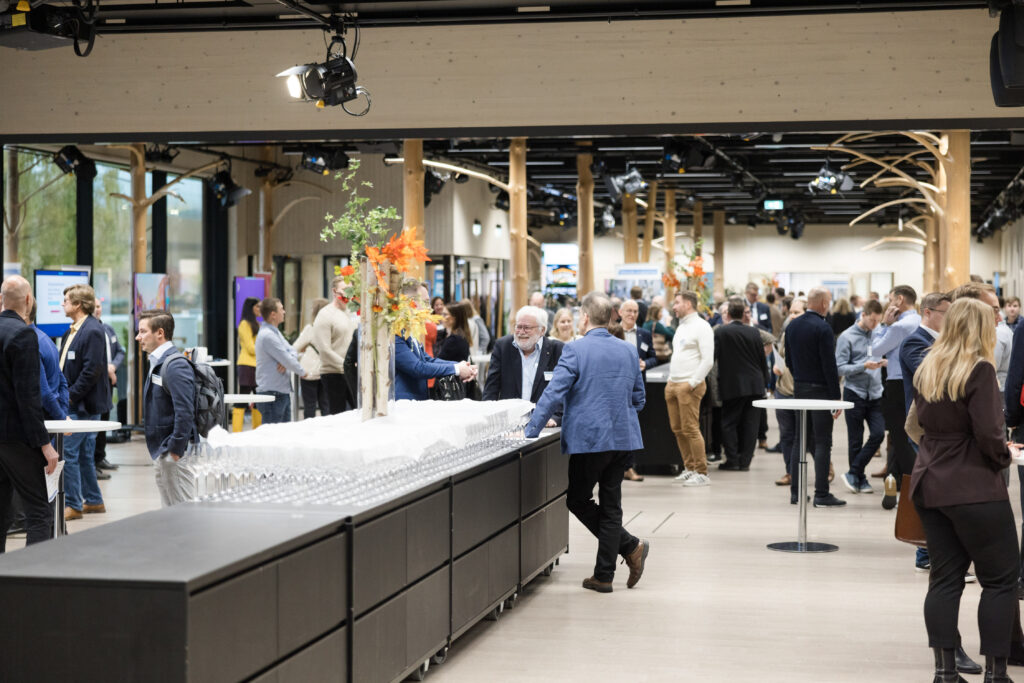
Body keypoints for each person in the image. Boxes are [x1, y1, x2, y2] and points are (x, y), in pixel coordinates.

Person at [911, 298, 1020, 683]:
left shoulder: (928, 366)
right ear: (980, 328)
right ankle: (996, 673)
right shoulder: (979, 369)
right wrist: (1004, 455)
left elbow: (918, 425)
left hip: (929, 480)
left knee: (944, 579)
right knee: (1001, 580)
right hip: (972, 485)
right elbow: (989, 433)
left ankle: (945, 672)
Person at [524, 292, 649, 594]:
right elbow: (639, 399)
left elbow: (554, 393)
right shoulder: (628, 350)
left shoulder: (575, 350)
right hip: (622, 438)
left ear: (584, 317)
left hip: (590, 440)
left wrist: (530, 430)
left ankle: (628, 549)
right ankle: (607, 572)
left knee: (578, 499)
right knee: (611, 505)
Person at [0, 275, 59, 550]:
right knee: (39, 511)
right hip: (17, 439)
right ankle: (34, 573)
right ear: (28, 300)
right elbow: (28, 397)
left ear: (1, 300)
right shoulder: (23, 334)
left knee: (3, 511)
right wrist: (45, 445)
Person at [784, 286, 845, 507]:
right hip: (821, 391)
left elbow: (788, 360)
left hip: (800, 388)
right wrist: (836, 397)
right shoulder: (823, 327)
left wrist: (800, 378)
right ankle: (821, 493)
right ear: (824, 303)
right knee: (822, 442)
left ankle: (796, 492)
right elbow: (829, 365)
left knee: (799, 440)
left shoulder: (792, 326)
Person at [58, 283, 108, 521]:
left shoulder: (92, 330)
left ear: (78, 304)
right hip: (76, 402)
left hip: (81, 405)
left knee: (68, 453)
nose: (62, 304)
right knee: (84, 455)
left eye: (66, 300)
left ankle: (74, 505)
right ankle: (94, 500)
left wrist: (69, 396)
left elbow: (92, 371)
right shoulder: (72, 330)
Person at [136, 310, 196, 506]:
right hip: (163, 451)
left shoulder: (175, 365)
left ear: (160, 333)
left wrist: (175, 449)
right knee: (170, 511)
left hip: (173, 452)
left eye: (143, 331)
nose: (138, 337)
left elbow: (185, 411)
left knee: (182, 510)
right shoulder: (158, 362)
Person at [870, 285, 920, 488]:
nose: (889, 303)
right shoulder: (919, 321)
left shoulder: (899, 326)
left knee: (899, 435)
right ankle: (895, 477)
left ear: (900, 300)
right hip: (915, 381)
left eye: (891, 299)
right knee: (909, 433)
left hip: (898, 384)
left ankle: (912, 482)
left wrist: (883, 324)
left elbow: (876, 349)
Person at [835, 299, 886, 495]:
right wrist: (863, 366)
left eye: (878, 321)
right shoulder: (846, 337)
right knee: (855, 439)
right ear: (863, 315)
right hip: (854, 392)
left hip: (875, 393)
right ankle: (859, 478)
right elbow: (840, 368)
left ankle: (853, 472)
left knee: (878, 434)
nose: (875, 324)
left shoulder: (879, 333)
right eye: (872, 320)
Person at [714, 298, 770, 472]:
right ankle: (745, 462)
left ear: (729, 314)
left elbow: (713, 357)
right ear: (742, 315)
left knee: (729, 423)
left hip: (732, 384)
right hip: (755, 384)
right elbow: (762, 359)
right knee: (750, 424)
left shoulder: (721, 332)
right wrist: (766, 382)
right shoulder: (754, 332)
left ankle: (732, 460)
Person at [395, 282, 476, 400]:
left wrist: (458, 366)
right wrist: (457, 369)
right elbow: (417, 368)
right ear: (411, 303)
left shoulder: (409, 332)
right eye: (426, 302)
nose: (429, 308)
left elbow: (427, 360)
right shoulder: (396, 334)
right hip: (404, 404)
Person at [666, 291, 714, 486]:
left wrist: (692, 383)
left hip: (689, 385)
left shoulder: (702, 326)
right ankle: (690, 467)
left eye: (677, 303)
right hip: (673, 384)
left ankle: (702, 472)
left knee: (691, 429)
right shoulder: (681, 326)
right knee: (678, 429)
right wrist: (670, 380)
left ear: (688, 304)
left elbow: (708, 360)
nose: (674, 307)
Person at [483, 306, 563, 406]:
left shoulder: (557, 350)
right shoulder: (503, 347)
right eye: (518, 327)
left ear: (542, 330)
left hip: (544, 415)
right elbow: (491, 388)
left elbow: (563, 390)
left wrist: (556, 415)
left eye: (527, 328)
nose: (521, 332)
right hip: (511, 414)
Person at [255, 297, 306, 424]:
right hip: (272, 395)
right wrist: (302, 372)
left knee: (282, 434)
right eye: (281, 309)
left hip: (279, 393)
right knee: (272, 435)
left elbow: (292, 351)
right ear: (273, 314)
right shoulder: (268, 335)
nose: (284, 312)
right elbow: (287, 358)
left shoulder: (275, 332)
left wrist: (286, 361)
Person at [772, 297, 806, 487]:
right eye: (791, 312)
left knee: (808, 436)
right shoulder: (786, 334)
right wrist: (776, 368)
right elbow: (781, 358)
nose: (792, 316)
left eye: (797, 312)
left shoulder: (813, 334)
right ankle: (790, 472)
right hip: (783, 391)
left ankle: (826, 468)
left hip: (803, 392)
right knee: (786, 435)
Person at [314, 276, 358, 415]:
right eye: (344, 289)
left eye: (350, 289)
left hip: (351, 373)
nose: (348, 293)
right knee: (336, 415)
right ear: (334, 291)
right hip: (333, 374)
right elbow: (324, 350)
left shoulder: (351, 312)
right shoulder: (324, 315)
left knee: (358, 413)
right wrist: (346, 364)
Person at [92, 298, 124, 478]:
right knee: (95, 424)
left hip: (108, 382)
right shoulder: (89, 332)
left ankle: (100, 457)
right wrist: (107, 370)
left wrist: (113, 367)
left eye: (99, 306)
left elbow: (120, 351)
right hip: (97, 382)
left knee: (104, 419)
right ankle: (92, 462)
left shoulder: (108, 329)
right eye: (95, 306)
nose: (97, 309)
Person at [293, 298, 330, 420]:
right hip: (326, 371)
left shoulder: (310, 329)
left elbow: (295, 348)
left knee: (309, 407)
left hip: (309, 372)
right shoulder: (332, 329)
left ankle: (309, 430)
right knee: (326, 407)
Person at [234, 296, 261, 431]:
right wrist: (264, 351)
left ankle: (257, 430)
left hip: (256, 365)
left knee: (258, 398)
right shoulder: (245, 324)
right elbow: (250, 348)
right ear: (251, 308)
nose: (259, 309)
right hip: (247, 365)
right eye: (257, 306)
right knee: (243, 398)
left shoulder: (256, 323)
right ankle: (236, 432)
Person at [618, 299, 658, 373]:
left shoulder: (645, 334)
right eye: (629, 311)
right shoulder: (612, 333)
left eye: (635, 311)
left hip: (638, 377)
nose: (632, 314)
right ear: (620, 312)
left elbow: (653, 359)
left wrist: (645, 363)